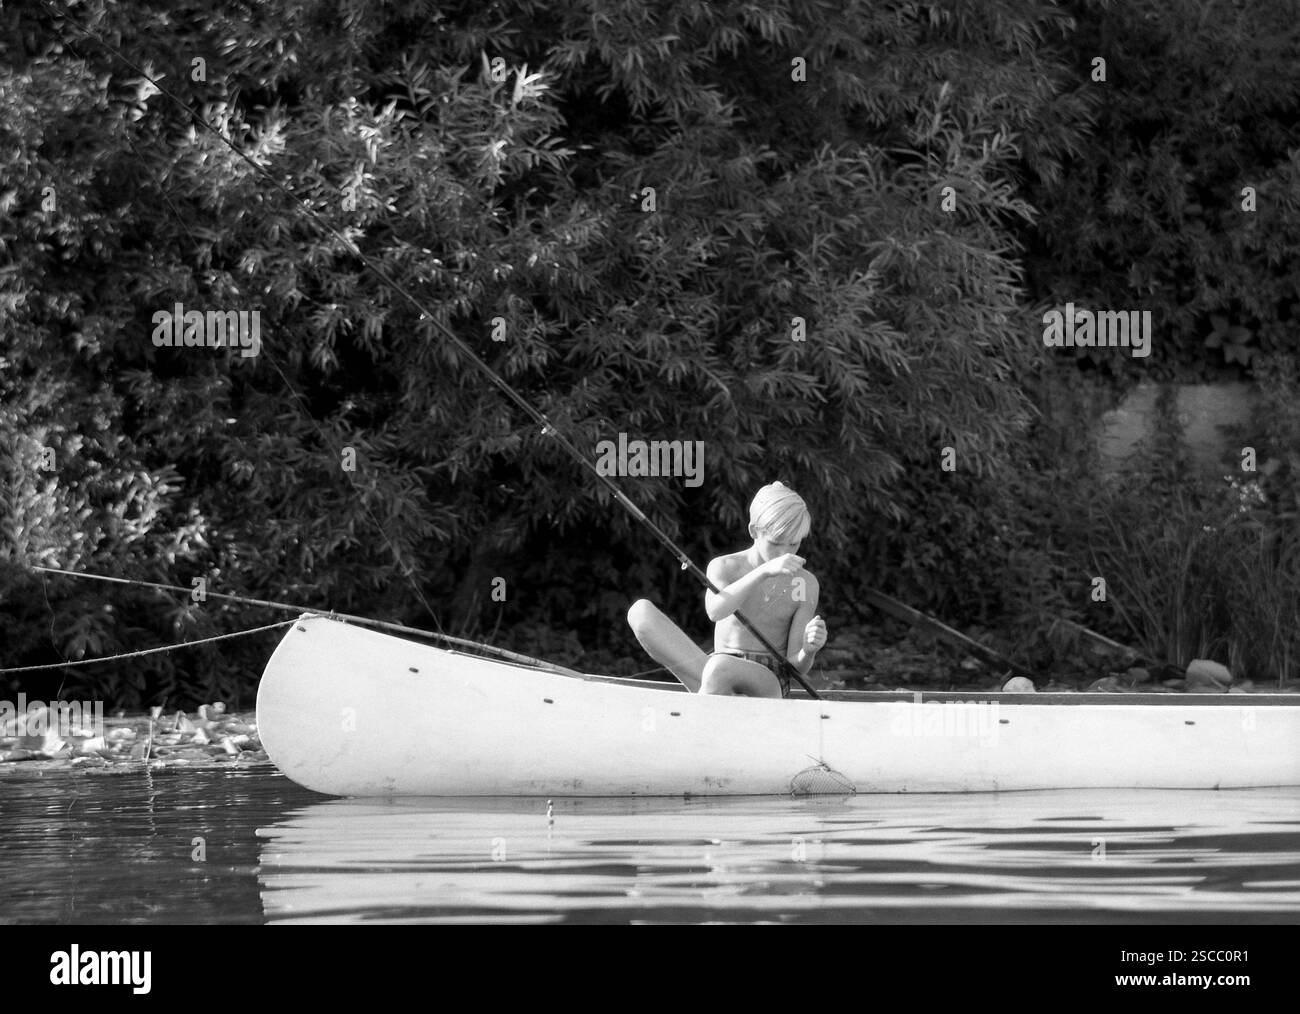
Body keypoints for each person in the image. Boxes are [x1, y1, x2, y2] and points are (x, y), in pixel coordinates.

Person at [627, 481, 828, 697]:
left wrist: (808, 650)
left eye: (794, 544)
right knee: (641, 613)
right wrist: (763, 572)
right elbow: (716, 611)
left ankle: (699, 716)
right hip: (715, 672)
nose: (784, 553)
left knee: (720, 666)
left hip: (768, 683)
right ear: (754, 531)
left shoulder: (805, 583)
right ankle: (716, 698)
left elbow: (796, 667)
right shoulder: (724, 567)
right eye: (776, 543)